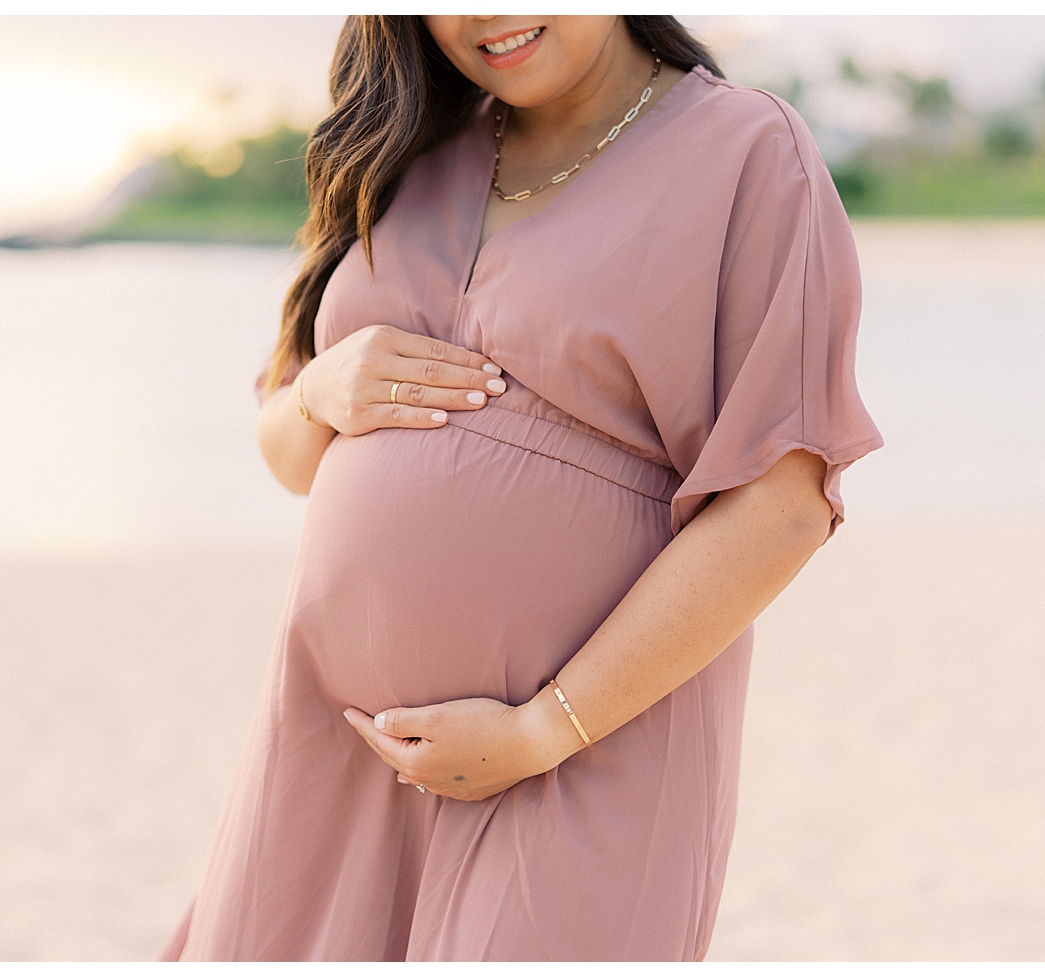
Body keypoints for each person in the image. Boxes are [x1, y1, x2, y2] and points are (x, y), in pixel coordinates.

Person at [160, 14, 883, 962]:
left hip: (583, 746)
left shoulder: (746, 151)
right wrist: (320, 393)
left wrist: (542, 728)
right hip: (336, 744)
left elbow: (784, 504)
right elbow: (289, 454)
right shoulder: (403, 148)